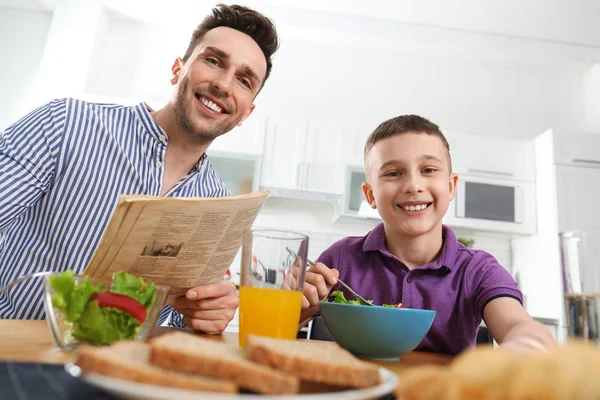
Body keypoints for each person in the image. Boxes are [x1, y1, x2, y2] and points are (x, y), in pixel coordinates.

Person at [0, 4, 279, 335]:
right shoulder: (64, 123)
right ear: (177, 69)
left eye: (244, 80)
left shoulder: (217, 204)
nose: (223, 84)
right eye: (214, 61)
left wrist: (202, 314)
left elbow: (173, 319)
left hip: (123, 374)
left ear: (246, 112)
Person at [299, 115, 556, 354]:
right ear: (370, 195)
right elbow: (281, 330)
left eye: (429, 170)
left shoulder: (478, 270)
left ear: (451, 185)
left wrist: (526, 347)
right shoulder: (340, 258)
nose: (413, 185)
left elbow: (517, 324)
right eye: (393, 173)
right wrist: (298, 308)